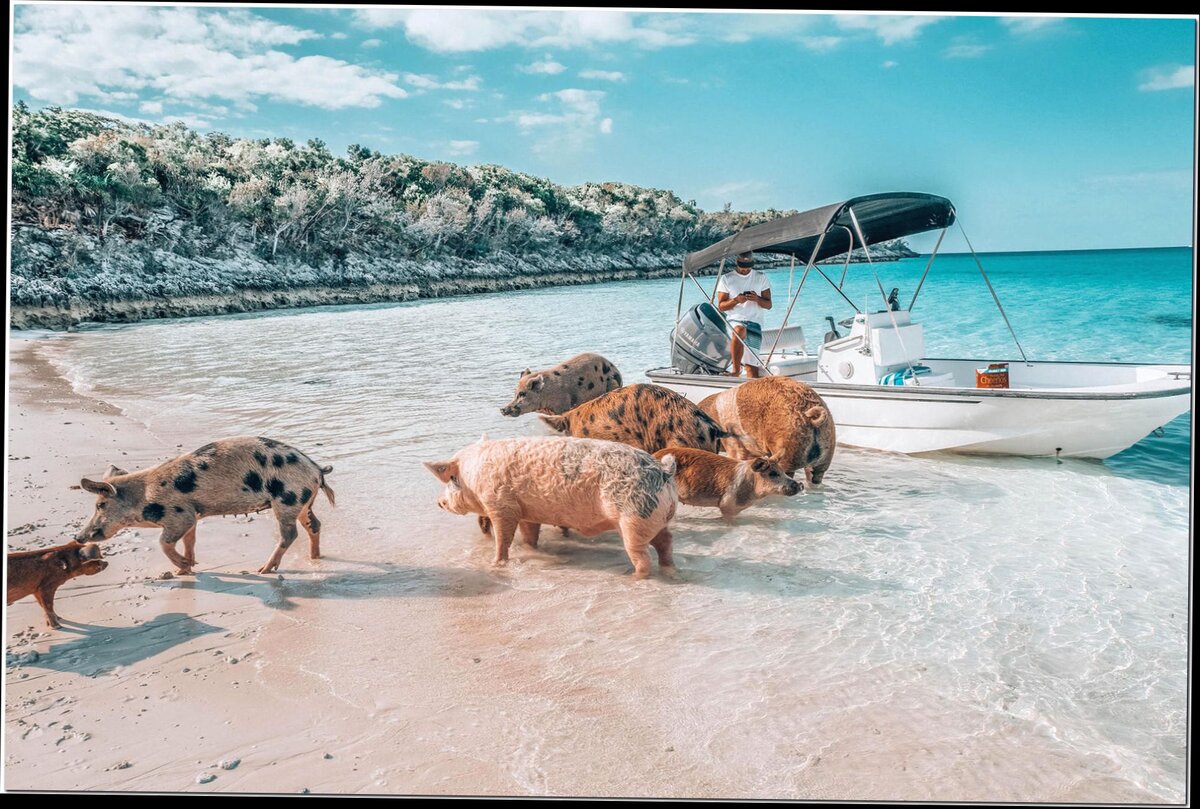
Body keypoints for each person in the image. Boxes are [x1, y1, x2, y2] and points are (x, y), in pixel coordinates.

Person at [715, 251, 772, 378]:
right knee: (739, 330)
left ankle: (753, 396)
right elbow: (721, 306)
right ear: (736, 262)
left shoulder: (760, 277)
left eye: (749, 265)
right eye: (742, 265)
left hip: (755, 324)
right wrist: (736, 300)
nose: (745, 269)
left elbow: (768, 305)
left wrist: (757, 298)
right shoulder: (727, 279)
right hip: (735, 322)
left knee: (752, 370)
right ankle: (736, 370)